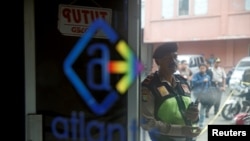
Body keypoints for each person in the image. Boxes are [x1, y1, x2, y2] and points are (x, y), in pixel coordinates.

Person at [140, 42, 201, 141]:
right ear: (157, 61)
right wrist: (180, 130)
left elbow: (186, 113)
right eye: (168, 59)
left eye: (175, 57)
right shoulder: (149, 86)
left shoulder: (183, 82)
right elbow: (146, 122)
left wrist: (195, 116)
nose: (173, 62)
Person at [191, 64, 211, 128]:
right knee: (194, 109)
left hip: (204, 95)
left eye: (203, 68)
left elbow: (209, 85)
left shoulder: (208, 76)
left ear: (206, 69)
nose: (202, 69)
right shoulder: (196, 75)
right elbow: (193, 82)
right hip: (196, 94)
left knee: (203, 109)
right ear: (199, 69)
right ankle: (194, 123)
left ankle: (201, 123)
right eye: (201, 68)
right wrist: (202, 80)